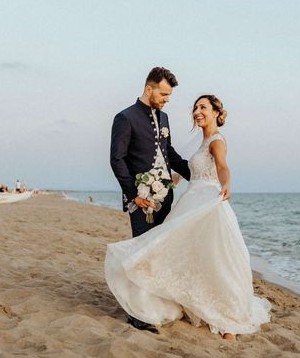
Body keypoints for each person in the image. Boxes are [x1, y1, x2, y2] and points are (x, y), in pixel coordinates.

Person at [105, 95, 271, 340]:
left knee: (217, 257)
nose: (197, 111)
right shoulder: (201, 142)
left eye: (203, 107)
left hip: (208, 203)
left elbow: (223, 166)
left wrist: (227, 184)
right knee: (193, 254)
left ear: (216, 112)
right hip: (192, 200)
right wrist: (165, 183)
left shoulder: (216, 141)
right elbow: (188, 169)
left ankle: (230, 322)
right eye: (195, 107)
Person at [109, 66, 192, 332]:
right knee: (140, 255)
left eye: (169, 95)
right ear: (149, 88)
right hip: (141, 200)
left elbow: (171, 154)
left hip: (165, 198)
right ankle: (137, 314)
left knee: (159, 254)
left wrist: (198, 175)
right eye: (164, 93)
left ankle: (153, 303)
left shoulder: (164, 118)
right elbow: (117, 159)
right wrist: (133, 194)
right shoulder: (125, 118)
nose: (167, 99)